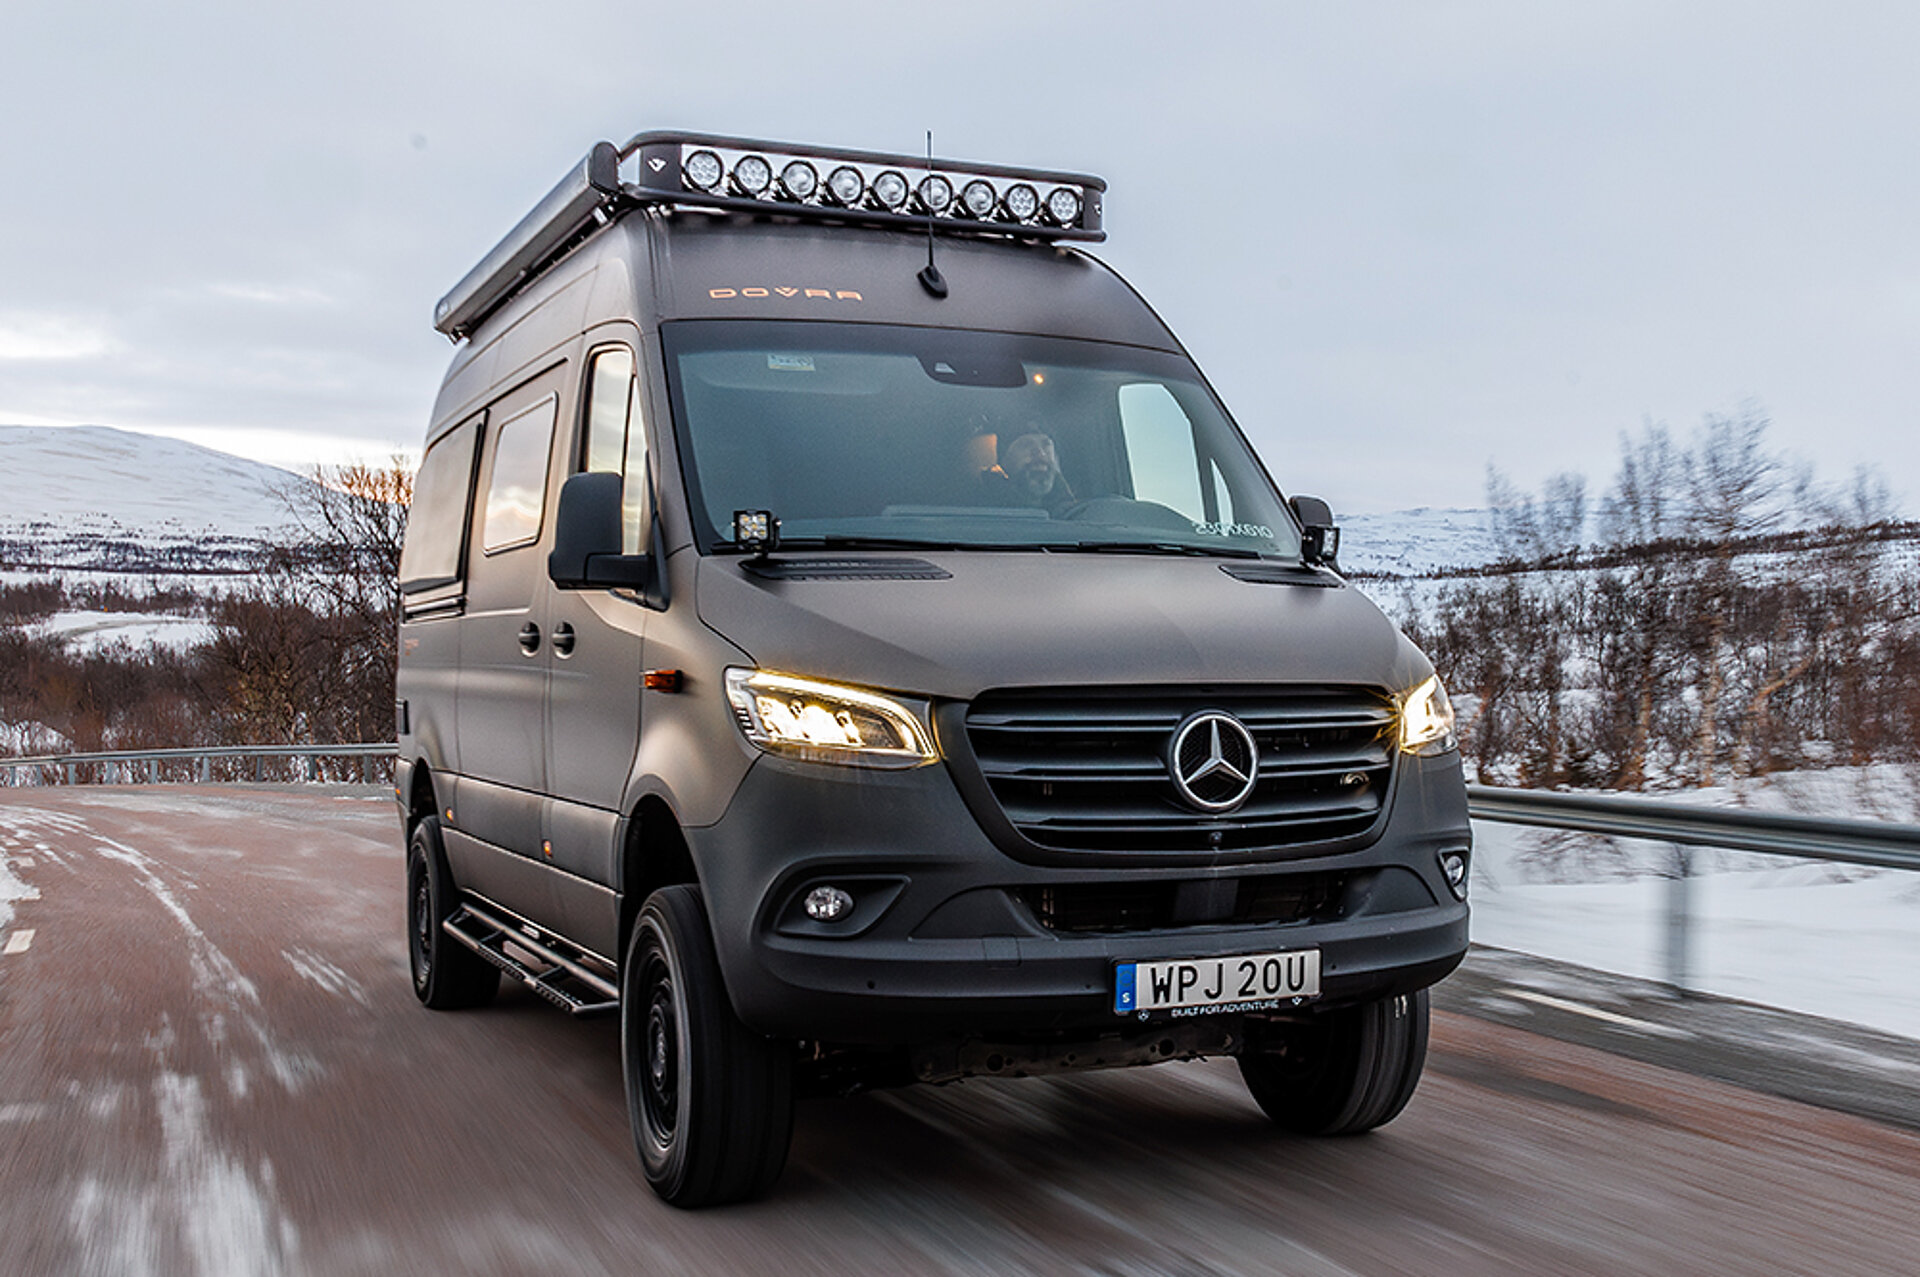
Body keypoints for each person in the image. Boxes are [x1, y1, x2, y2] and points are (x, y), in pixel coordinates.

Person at [984, 429, 1076, 514]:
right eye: (1025, 445)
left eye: (1046, 444)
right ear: (1004, 461)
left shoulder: (1077, 516)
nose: (1040, 453)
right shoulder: (984, 512)